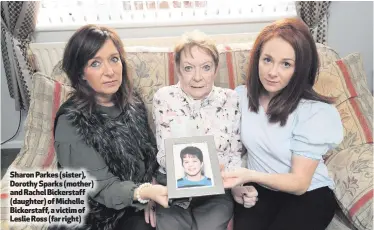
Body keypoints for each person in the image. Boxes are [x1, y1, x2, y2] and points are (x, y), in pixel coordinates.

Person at [222, 17, 344, 230]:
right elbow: (226, 147)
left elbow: (299, 183)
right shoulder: (240, 97)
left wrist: (248, 175)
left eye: (286, 64)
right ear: (256, 59)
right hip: (259, 191)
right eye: (267, 60)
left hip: (308, 195)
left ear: (300, 69)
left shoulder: (314, 112)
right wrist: (238, 186)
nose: (272, 72)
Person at [53, 24, 168, 230]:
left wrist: (153, 187)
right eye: (95, 63)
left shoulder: (134, 103)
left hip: (134, 200)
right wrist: (143, 193)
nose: (110, 71)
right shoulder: (71, 121)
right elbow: (101, 187)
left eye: (114, 59)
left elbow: (151, 156)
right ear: (80, 74)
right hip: (94, 217)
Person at [150, 30, 258, 230]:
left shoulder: (231, 99)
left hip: (216, 189)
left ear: (216, 69)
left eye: (206, 67)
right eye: (189, 68)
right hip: (173, 187)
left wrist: (235, 186)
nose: (198, 77)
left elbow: (234, 152)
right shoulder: (164, 97)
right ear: (178, 69)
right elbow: (164, 153)